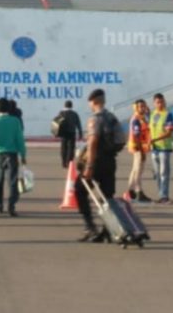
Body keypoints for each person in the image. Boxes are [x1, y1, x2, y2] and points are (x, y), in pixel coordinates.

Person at [75, 88, 123, 242]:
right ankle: (107, 230)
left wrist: (89, 165)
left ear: (94, 101)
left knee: (79, 190)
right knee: (107, 197)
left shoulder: (95, 119)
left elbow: (93, 141)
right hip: (110, 161)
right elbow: (121, 140)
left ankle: (90, 227)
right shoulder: (112, 117)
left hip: (96, 161)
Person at [0, 98, 26, 217]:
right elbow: (20, 140)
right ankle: (11, 206)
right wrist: (23, 155)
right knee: (12, 181)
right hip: (12, 154)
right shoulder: (15, 121)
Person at [150, 93, 173, 204]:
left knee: (164, 172)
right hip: (154, 148)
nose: (160, 104)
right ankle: (160, 193)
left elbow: (169, 133)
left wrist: (154, 140)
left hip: (164, 147)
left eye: (161, 102)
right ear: (154, 103)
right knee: (157, 173)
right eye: (157, 102)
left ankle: (164, 195)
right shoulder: (152, 114)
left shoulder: (168, 115)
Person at [127, 99, 152, 203]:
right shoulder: (136, 119)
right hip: (137, 147)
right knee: (138, 171)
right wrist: (141, 152)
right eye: (140, 106)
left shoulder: (142, 118)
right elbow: (136, 136)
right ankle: (139, 192)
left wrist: (148, 113)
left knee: (134, 170)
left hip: (140, 147)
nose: (142, 108)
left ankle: (130, 190)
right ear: (136, 108)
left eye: (144, 106)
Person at [57, 100, 83, 169]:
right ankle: (69, 163)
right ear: (71, 106)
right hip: (72, 133)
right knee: (71, 148)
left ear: (64, 106)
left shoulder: (61, 113)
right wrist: (80, 133)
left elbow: (56, 124)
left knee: (63, 148)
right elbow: (78, 124)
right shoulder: (74, 114)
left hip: (63, 133)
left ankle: (63, 162)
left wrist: (56, 133)